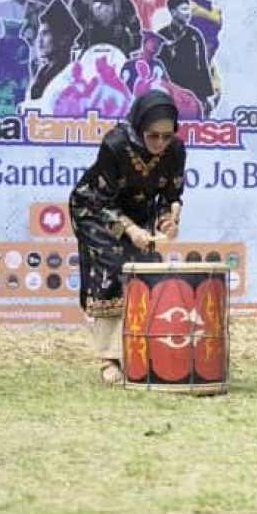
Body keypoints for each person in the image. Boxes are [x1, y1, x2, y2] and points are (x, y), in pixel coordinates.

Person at [69, 91, 186, 384]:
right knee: (113, 268)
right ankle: (108, 358)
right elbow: (102, 201)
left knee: (146, 271)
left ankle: (138, 351)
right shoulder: (116, 144)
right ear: (139, 128)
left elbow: (170, 195)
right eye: (153, 136)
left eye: (167, 136)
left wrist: (168, 220)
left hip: (137, 211)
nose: (160, 143)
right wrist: (131, 230)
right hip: (94, 209)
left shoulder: (175, 150)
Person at [157, 0, 215, 113]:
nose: (188, 13)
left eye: (189, 9)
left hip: (194, 94)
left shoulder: (195, 35)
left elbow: (202, 65)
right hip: (171, 94)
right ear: (173, 12)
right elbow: (158, 67)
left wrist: (205, 97)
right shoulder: (162, 35)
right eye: (184, 9)